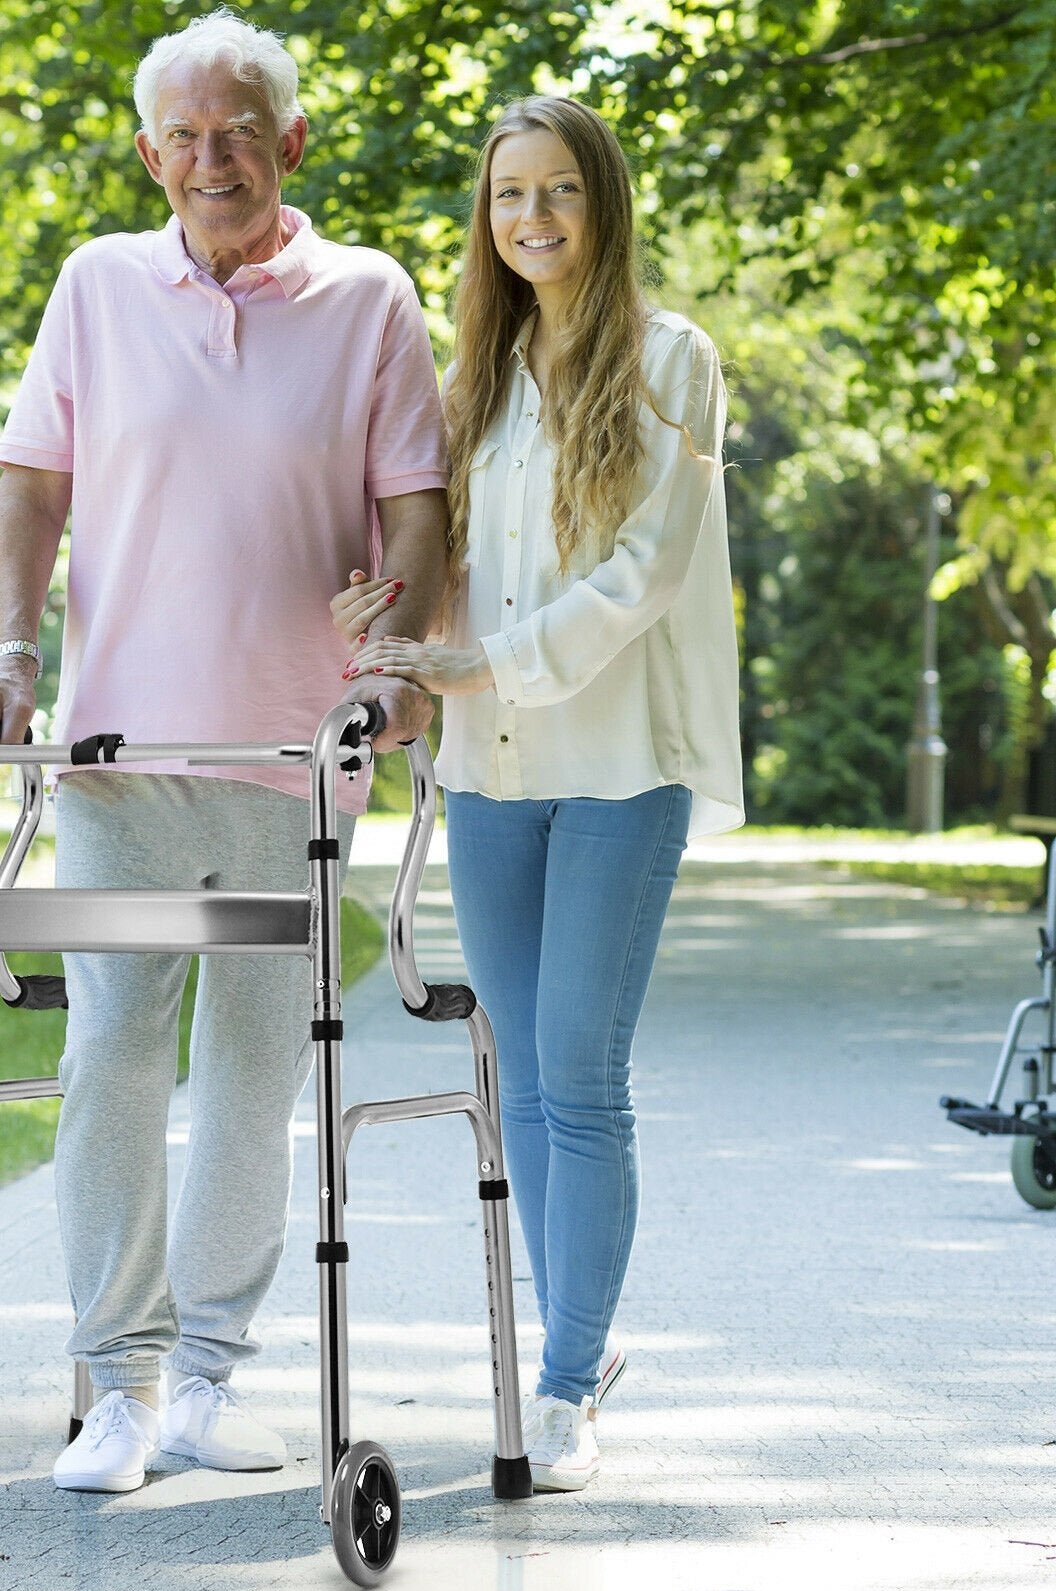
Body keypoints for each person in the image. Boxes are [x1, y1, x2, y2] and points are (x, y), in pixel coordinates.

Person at [0, 10, 448, 1494]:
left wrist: (401, 647)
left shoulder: (369, 297)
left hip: (299, 761)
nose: (210, 159)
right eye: (184, 135)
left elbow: (413, 502)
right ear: (150, 150)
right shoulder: (98, 284)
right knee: (106, 1052)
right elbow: (33, 488)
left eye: (240, 131)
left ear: (291, 142)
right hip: (116, 755)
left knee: (251, 1068)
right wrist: (12, 657)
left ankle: (212, 1378)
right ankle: (116, 1387)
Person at [338, 96, 745, 1492]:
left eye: (561, 190)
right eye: (511, 194)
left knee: (580, 1076)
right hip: (492, 780)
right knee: (515, 1077)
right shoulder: (478, 380)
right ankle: (579, 1339)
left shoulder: (673, 361)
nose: (534, 219)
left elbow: (644, 575)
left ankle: (565, 1384)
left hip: (624, 769)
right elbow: (447, 564)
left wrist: (482, 661)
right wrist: (390, 601)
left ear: (604, 202)